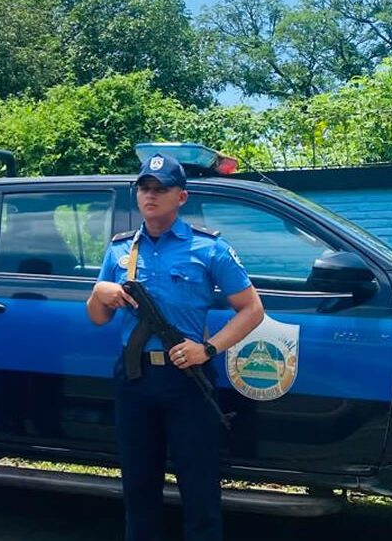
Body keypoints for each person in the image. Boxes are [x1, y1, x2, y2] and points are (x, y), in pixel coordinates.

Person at [85, 154, 264, 541]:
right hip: (134, 379)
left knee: (199, 489)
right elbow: (98, 317)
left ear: (181, 197)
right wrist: (100, 292)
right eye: (145, 189)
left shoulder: (209, 248)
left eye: (160, 189)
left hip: (187, 378)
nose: (150, 196)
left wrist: (209, 349)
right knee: (138, 486)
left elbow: (252, 309)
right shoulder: (119, 250)